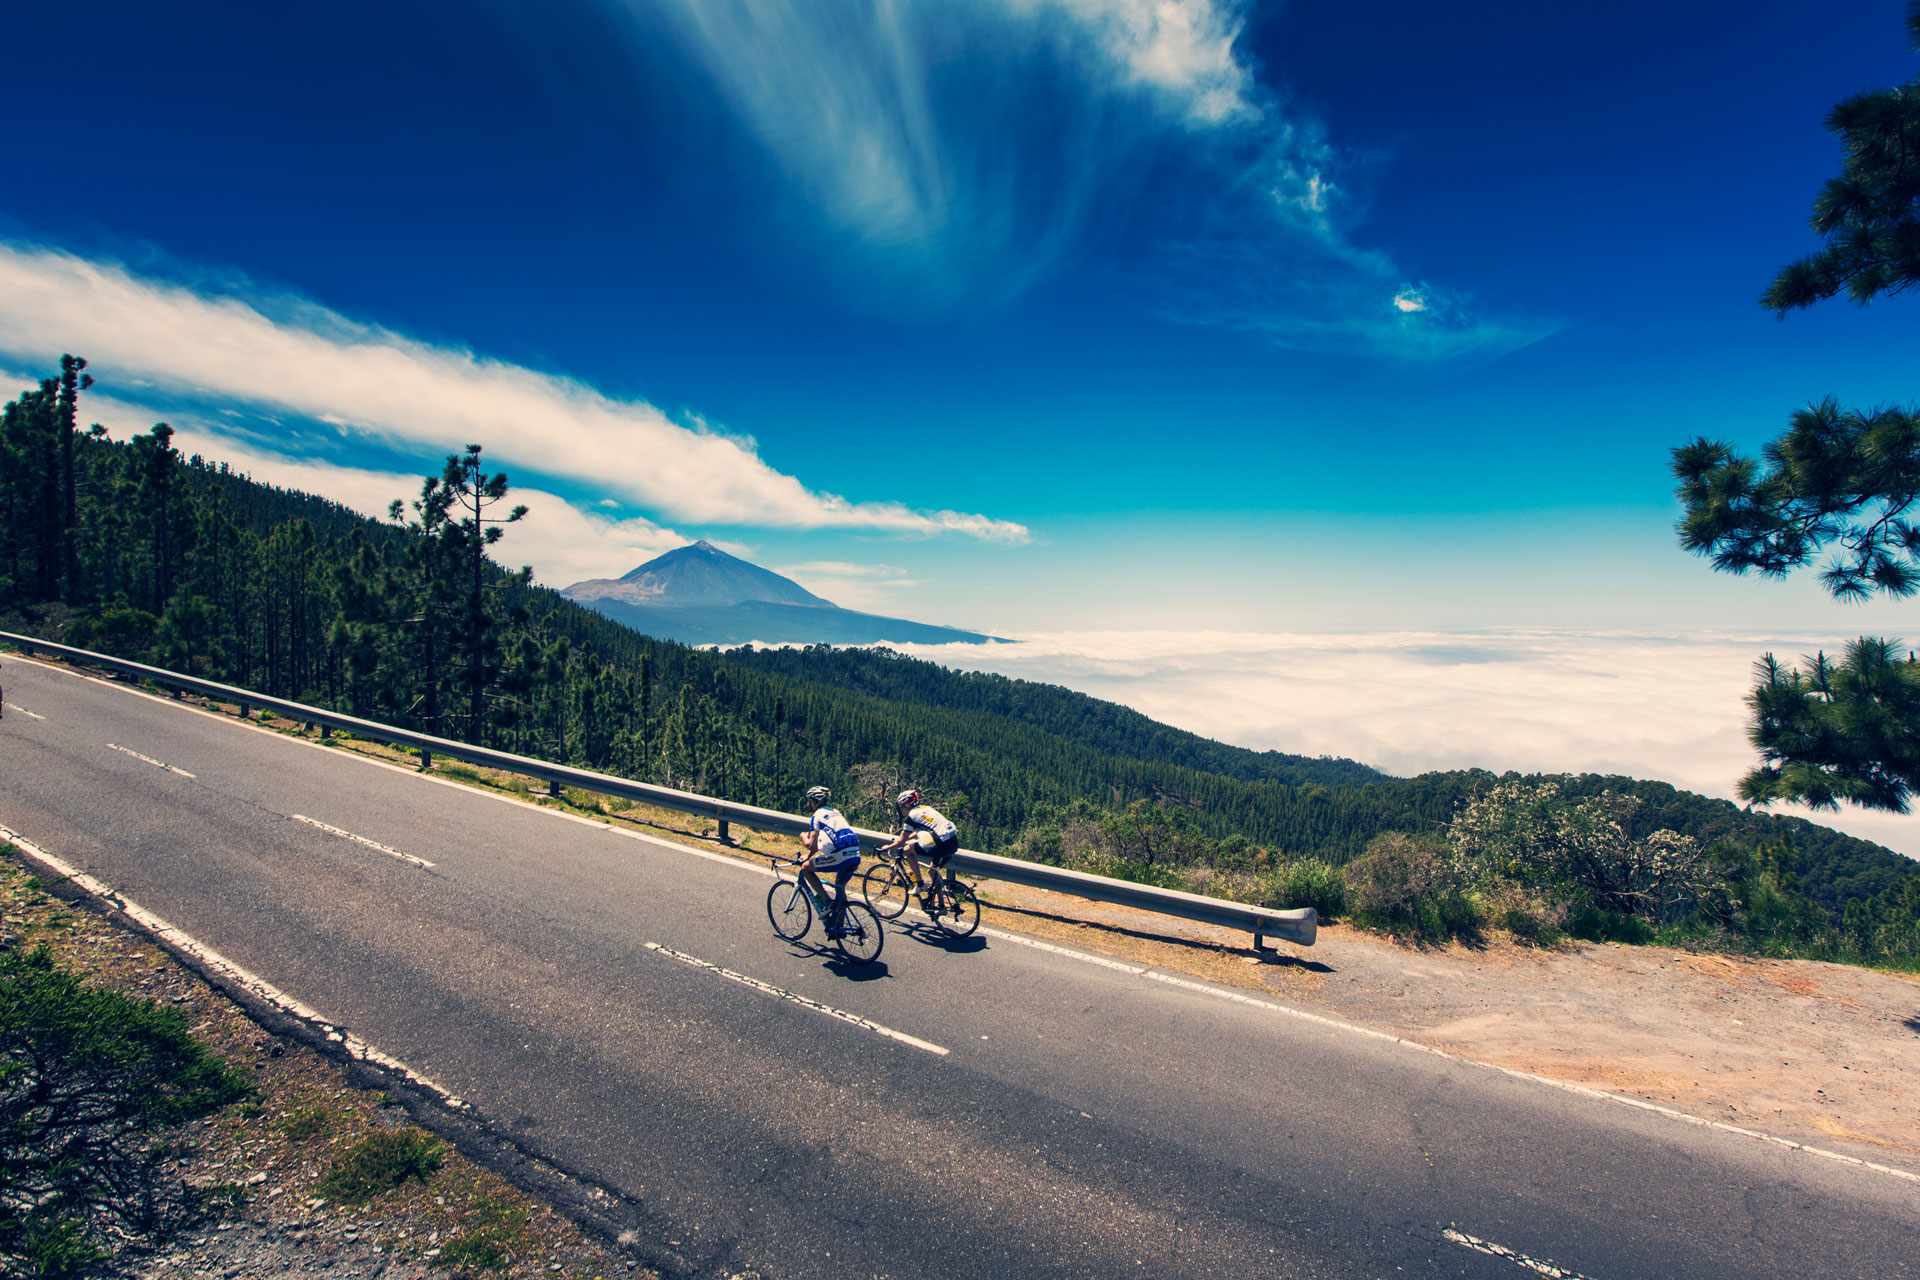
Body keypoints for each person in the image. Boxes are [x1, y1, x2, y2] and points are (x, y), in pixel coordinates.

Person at [796, 785, 863, 936]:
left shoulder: (817, 816)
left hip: (839, 855)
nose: (808, 804)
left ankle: (827, 902)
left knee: (806, 868)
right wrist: (809, 855)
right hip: (855, 854)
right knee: (840, 888)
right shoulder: (836, 812)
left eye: (809, 801)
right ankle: (838, 927)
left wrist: (803, 837)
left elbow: (811, 844)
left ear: (814, 802)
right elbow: (823, 842)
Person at [880, 789, 959, 906]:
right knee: (932, 871)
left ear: (907, 805)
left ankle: (920, 884)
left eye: (902, 807)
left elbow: (901, 842)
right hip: (952, 841)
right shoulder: (925, 809)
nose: (902, 810)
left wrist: (888, 847)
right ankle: (941, 905)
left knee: (907, 850)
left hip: (941, 842)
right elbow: (917, 832)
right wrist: (903, 839)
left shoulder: (911, 816)